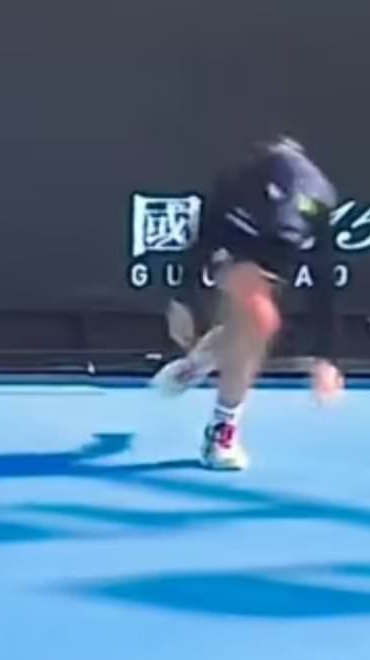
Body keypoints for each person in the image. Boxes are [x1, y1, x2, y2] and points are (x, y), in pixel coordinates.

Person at [151, 137, 345, 471]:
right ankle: (222, 431)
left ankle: (200, 361)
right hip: (231, 248)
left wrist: (326, 358)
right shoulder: (234, 186)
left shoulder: (317, 201)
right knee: (260, 318)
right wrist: (182, 300)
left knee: (249, 326)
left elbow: (323, 282)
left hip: (273, 260)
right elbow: (201, 242)